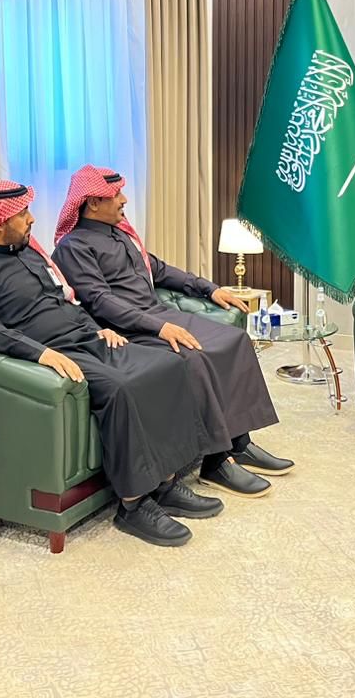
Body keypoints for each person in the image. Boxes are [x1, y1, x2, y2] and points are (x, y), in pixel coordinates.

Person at [0, 181, 221, 548]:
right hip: (55, 352)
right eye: (23, 214)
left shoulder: (31, 255)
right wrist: (39, 353)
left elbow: (67, 302)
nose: (31, 219)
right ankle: (133, 505)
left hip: (88, 338)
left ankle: (166, 484)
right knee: (120, 388)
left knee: (169, 365)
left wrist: (98, 327)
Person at [51, 165, 292, 498]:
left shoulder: (121, 234)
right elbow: (100, 301)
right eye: (116, 194)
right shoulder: (72, 247)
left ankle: (239, 442)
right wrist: (160, 327)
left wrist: (210, 289)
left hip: (159, 316)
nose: (124, 200)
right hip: (128, 329)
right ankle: (215, 462)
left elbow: (160, 271)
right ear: (92, 202)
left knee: (234, 340)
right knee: (193, 358)